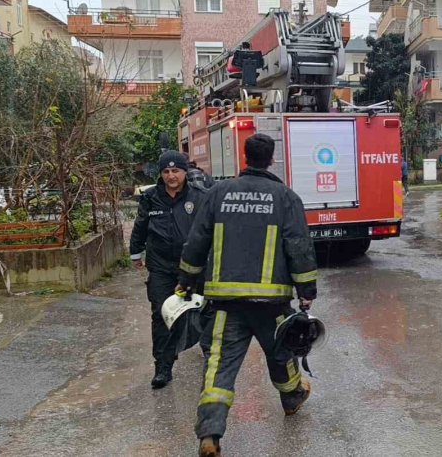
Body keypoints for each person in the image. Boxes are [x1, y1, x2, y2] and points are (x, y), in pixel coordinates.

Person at [177, 134, 318, 457]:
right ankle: (292, 398)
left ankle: (210, 433)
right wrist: (306, 292)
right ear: (271, 160)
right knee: (281, 353)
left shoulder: (217, 194)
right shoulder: (285, 198)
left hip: (226, 303)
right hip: (272, 303)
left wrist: (186, 280)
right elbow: (298, 247)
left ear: (244, 156)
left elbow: (196, 241)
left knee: (219, 366)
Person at [130, 150, 207, 389]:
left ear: (185, 171)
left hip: (194, 267)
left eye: (176, 171)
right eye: (166, 171)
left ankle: (210, 356)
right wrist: (135, 253)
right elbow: (140, 226)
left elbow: (210, 230)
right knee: (161, 314)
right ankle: (163, 366)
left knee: (204, 310)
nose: (171, 176)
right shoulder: (150, 197)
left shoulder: (200, 196)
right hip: (161, 266)